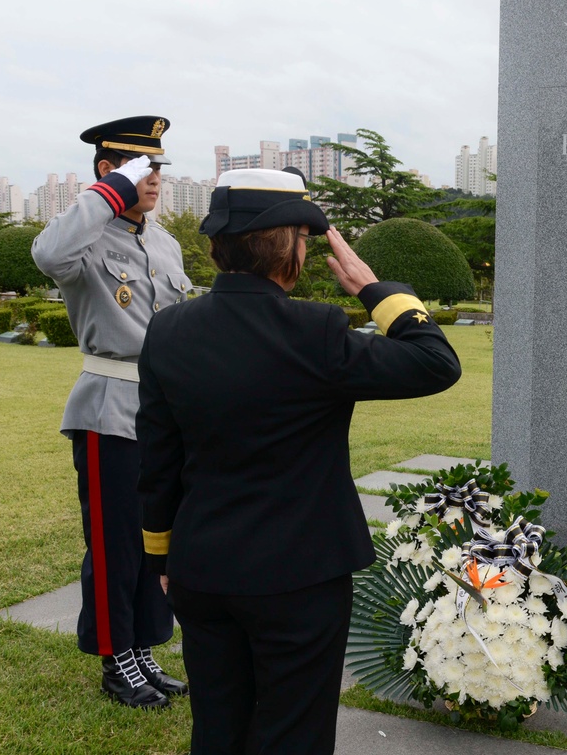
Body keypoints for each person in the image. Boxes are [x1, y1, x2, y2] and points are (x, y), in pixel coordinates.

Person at [136, 167, 462, 753]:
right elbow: (435, 363)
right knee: (295, 731)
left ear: (216, 245)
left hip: (201, 565)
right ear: (291, 246)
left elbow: (158, 458)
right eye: (306, 240)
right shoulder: (316, 331)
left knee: (217, 725)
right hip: (300, 575)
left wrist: (161, 551)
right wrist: (375, 289)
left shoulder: (167, 330)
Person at [31, 116, 190, 709]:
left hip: (162, 411)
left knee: (157, 537)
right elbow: (47, 252)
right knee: (114, 541)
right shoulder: (83, 239)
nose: (154, 180)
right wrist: (109, 194)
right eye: (142, 169)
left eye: (157, 169)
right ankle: (113, 655)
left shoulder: (165, 242)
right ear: (111, 171)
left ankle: (144, 647)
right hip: (108, 411)